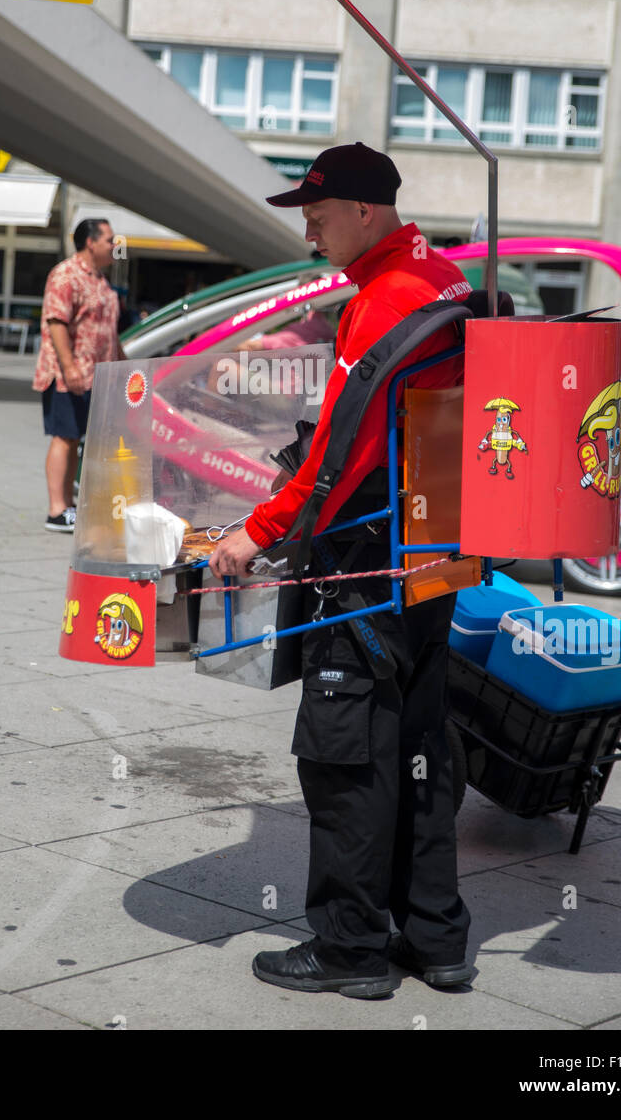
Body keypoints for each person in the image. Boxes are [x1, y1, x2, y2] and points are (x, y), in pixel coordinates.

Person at [209, 141, 474, 1000]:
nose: (309, 230)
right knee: (422, 745)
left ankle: (351, 949)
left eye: (318, 214)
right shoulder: (440, 274)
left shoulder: (383, 300)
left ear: (365, 210)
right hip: (436, 550)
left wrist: (259, 529)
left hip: (366, 560)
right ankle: (434, 939)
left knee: (347, 754)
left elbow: (344, 448)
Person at [32, 218, 125, 532]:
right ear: (91, 242)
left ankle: (69, 507)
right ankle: (56, 509)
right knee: (65, 435)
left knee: (76, 439)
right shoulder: (66, 274)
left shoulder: (100, 281)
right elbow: (56, 322)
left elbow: (109, 333)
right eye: (110, 240)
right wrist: (69, 367)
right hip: (67, 374)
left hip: (97, 377)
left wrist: (125, 366)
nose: (115, 246)